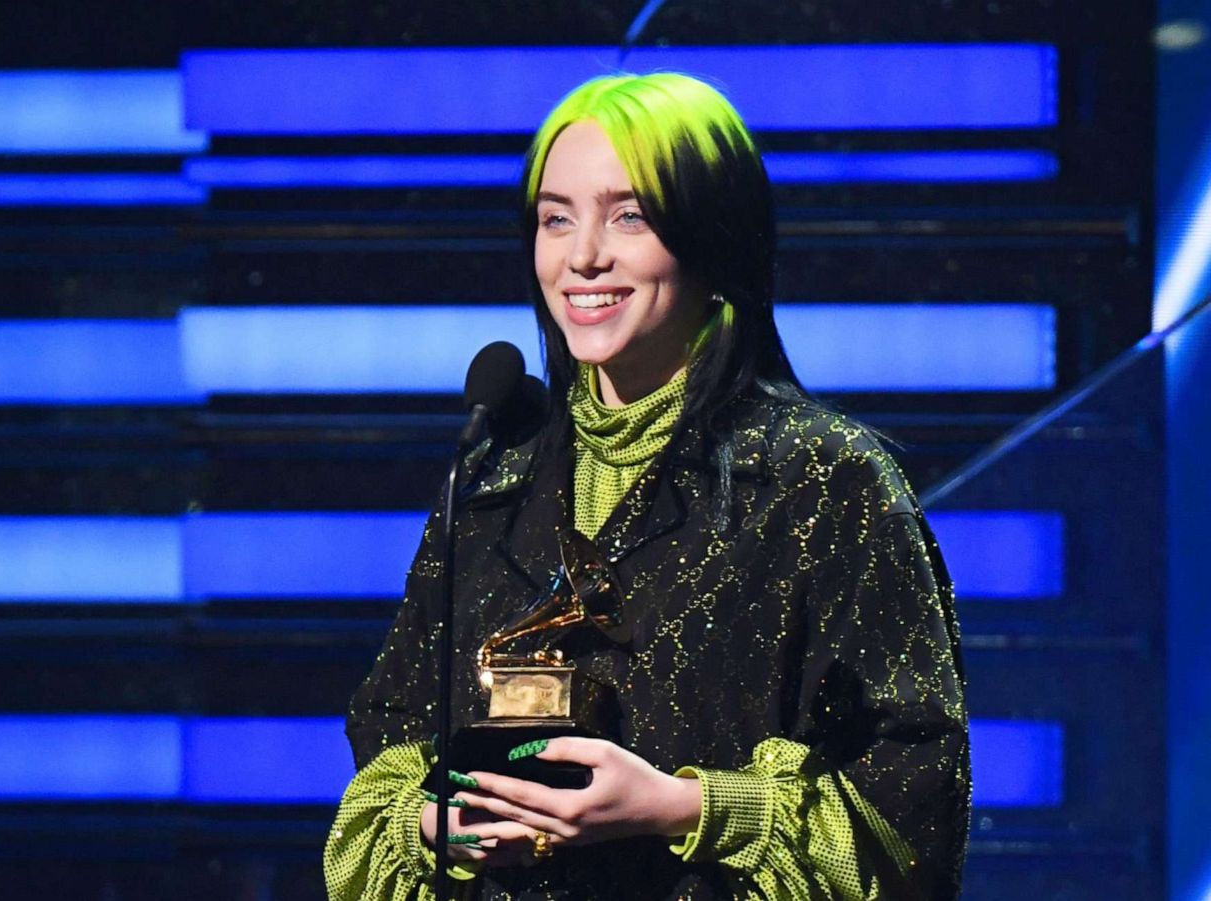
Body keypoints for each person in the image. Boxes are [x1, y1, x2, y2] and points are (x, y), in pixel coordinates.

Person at [324, 72, 970, 901]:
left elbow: (912, 812)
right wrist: (432, 826)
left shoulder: (824, 479)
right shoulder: (491, 480)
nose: (583, 254)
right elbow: (384, 759)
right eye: (556, 218)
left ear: (714, 238)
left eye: (628, 215)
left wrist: (679, 806)